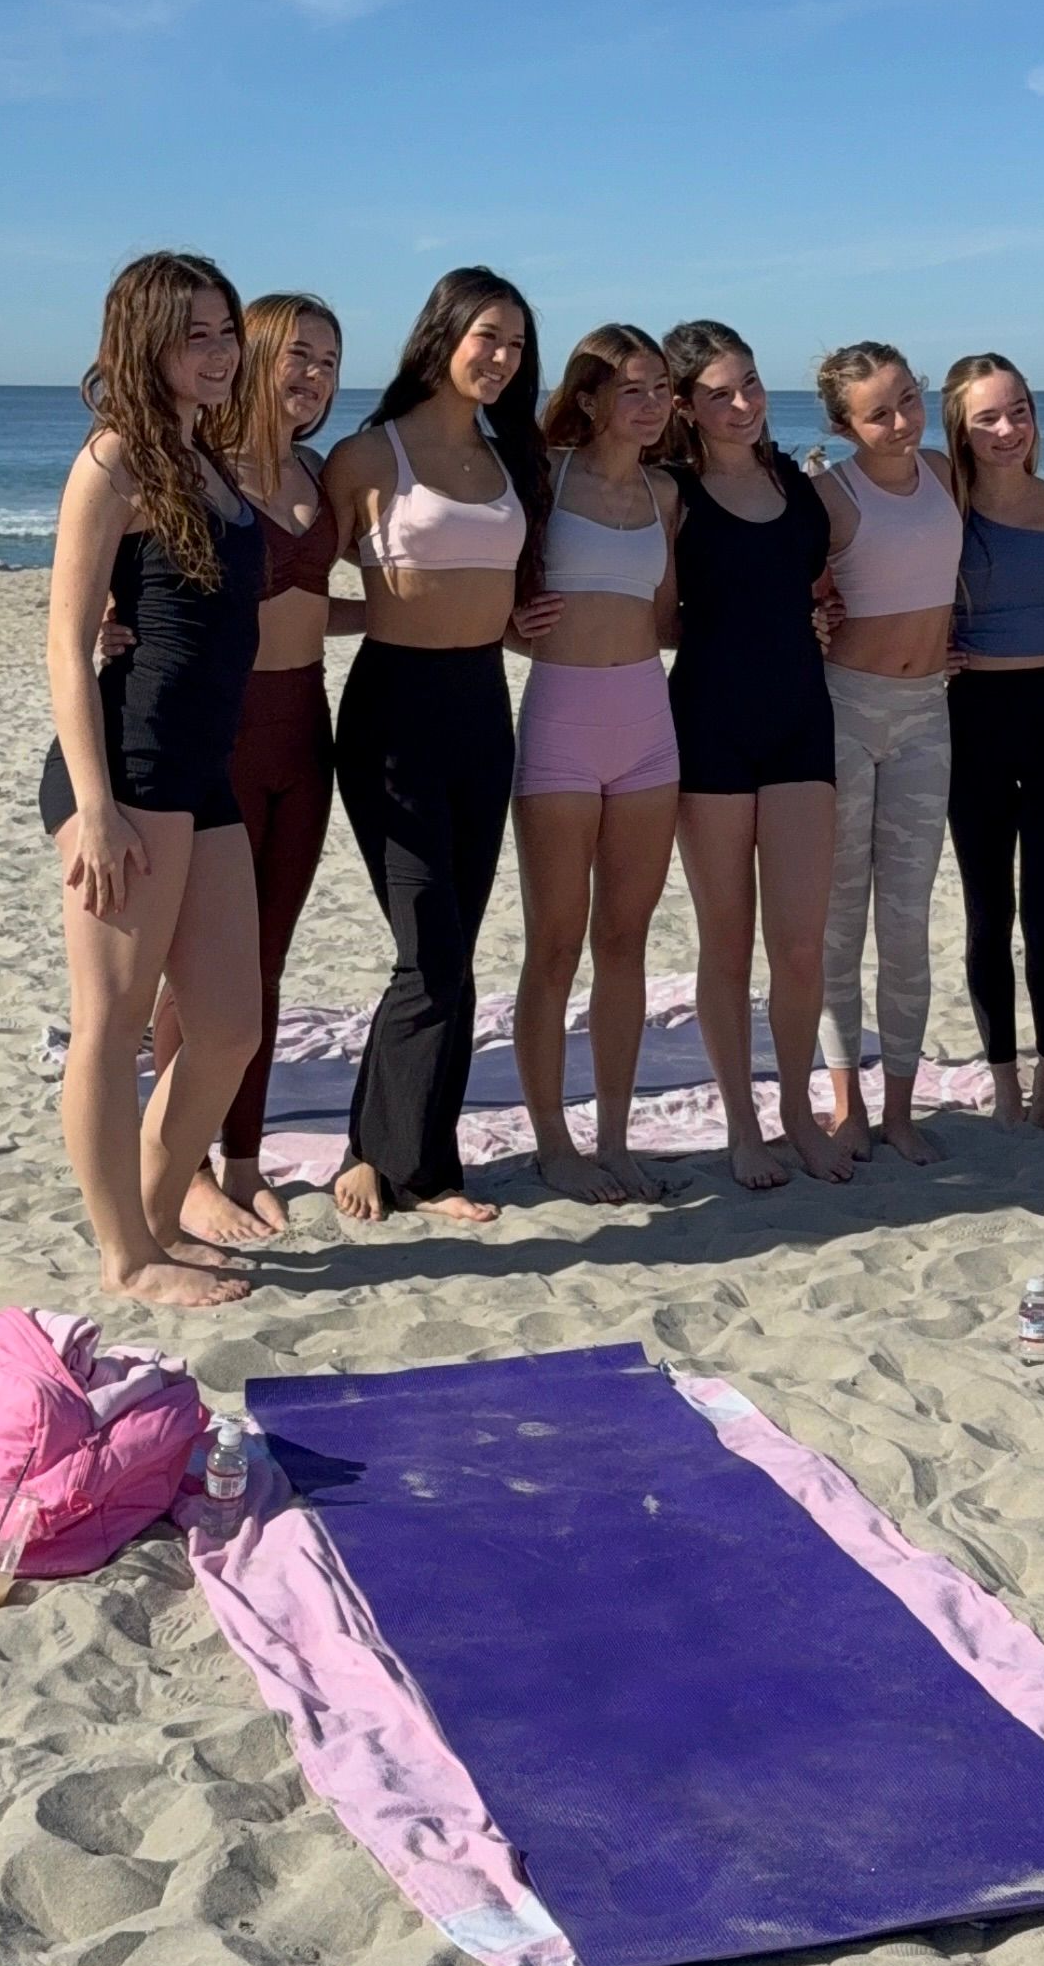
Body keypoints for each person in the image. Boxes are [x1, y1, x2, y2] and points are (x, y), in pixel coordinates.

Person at [38, 251, 260, 1308]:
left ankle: (159, 1214)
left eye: (226, 332)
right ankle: (125, 1254)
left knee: (226, 1024)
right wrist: (93, 805)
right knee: (114, 1020)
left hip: (199, 768)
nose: (218, 353)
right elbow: (65, 643)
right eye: (196, 335)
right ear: (145, 341)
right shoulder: (115, 457)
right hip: (127, 772)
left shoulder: (204, 453)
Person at [133, 293, 364, 1241]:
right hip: (220, 736)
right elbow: (138, 594)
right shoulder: (199, 475)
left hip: (305, 732)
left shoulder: (318, 472)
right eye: (296, 355)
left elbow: (313, 605)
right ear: (254, 354)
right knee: (197, 973)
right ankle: (176, 1161)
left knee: (265, 958)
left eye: (330, 361)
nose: (312, 375)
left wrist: (437, 620)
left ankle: (242, 1155)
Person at [324, 268, 549, 1224]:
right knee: (430, 947)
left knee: (451, 951)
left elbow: (492, 582)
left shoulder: (513, 460)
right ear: (443, 334)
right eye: (486, 337)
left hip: (481, 706)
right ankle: (400, 1165)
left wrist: (506, 621)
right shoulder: (368, 455)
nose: (500, 358)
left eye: (514, 344)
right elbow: (289, 570)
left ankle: (397, 1152)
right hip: (392, 709)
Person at [662, 319, 847, 1190]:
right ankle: (743, 1123)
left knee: (801, 945)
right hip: (707, 724)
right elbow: (657, 615)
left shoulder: (795, 482)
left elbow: (823, 580)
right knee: (726, 945)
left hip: (802, 721)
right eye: (718, 394)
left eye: (750, 385)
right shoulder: (672, 492)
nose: (741, 404)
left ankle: (801, 1114)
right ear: (684, 407)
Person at [510, 325, 682, 1202]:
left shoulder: (665, 494)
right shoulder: (543, 479)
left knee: (625, 940)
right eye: (634, 389)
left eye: (661, 390)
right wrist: (507, 626)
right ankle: (553, 1141)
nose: (652, 405)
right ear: (587, 397)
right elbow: (490, 587)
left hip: (649, 724)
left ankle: (613, 1136)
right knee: (554, 944)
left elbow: (670, 618)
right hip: (562, 721)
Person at [814, 341, 963, 1170]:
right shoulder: (829, 496)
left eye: (909, 398)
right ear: (844, 426)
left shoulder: (944, 473)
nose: (902, 421)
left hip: (927, 716)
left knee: (905, 925)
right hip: (846, 711)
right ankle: (845, 1107)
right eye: (879, 412)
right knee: (839, 925)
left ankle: (900, 1111)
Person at [939, 352, 1044, 1130]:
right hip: (973, 715)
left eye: (1019, 411)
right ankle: (1003, 1081)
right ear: (960, 431)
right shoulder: (945, 512)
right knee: (986, 911)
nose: (1007, 430)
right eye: (988, 418)